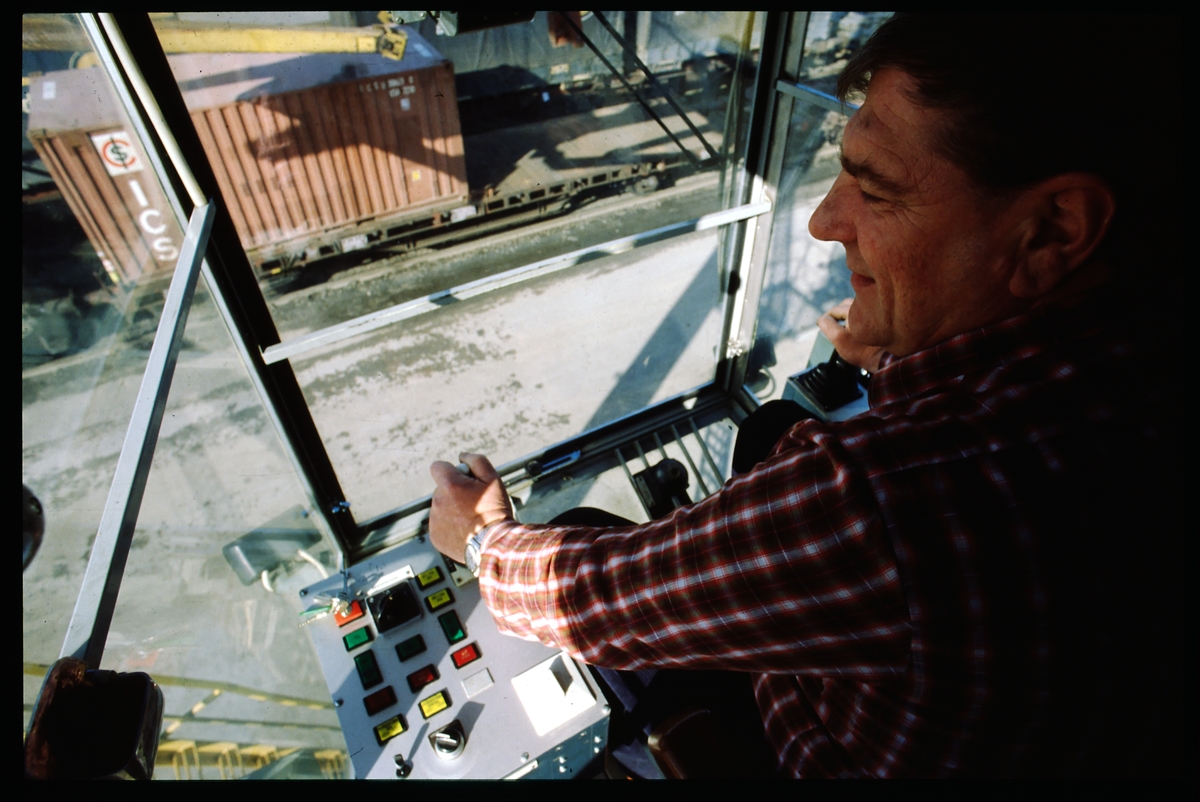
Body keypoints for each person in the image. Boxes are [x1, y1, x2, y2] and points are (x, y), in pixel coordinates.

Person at [429, 14, 1190, 777]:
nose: (825, 221)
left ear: (1053, 230)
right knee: (773, 428)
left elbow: (595, 600)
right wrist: (897, 360)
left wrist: (483, 540)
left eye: (876, 188)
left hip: (797, 747)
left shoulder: (884, 498)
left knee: (583, 533)